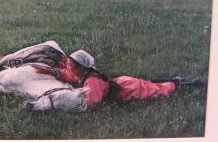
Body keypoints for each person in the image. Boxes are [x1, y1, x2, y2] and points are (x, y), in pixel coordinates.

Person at [31, 49, 205, 107]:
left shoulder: (91, 81)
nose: (67, 66)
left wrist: (73, 95)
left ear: (80, 66)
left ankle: (185, 85)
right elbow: (68, 75)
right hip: (122, 81)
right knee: (149, 82)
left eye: (70, 64)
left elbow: (92, 102)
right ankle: (175, 79)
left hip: (128, 90)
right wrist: (50, 72)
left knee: (158, 90)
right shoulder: (81, 73)